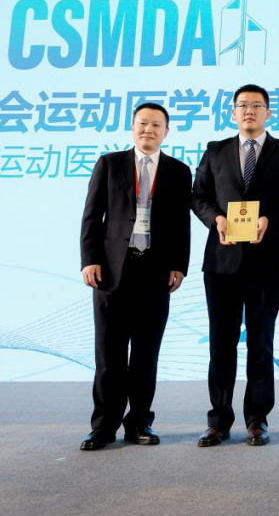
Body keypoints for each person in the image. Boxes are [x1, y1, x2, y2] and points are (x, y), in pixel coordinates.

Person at [191, 84, 279, 447]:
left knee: (261, 341)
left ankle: (257, 419)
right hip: (222, 260)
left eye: (256, 105)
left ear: (268, 113)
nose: (249, 111)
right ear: (232, 113)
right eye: (242, 105)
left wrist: (271, 220)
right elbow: (198, 196)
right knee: (221, 342)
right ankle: (218, 420)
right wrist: (216, 219)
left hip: (266, 259)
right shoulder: (215, 151)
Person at [78, 102, 191, 451]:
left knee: (145, 354)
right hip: (112, 271)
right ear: (132, 127)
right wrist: (89, 260)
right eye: (143, 123)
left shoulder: (179, 171)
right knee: (109, 354)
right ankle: (103, 426)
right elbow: (92, 216)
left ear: (166, 131)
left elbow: (181, 223)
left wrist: (179, 265)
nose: (148, 130)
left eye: (156, 125)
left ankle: (140, 422)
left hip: (155, 273)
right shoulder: (109, 164)